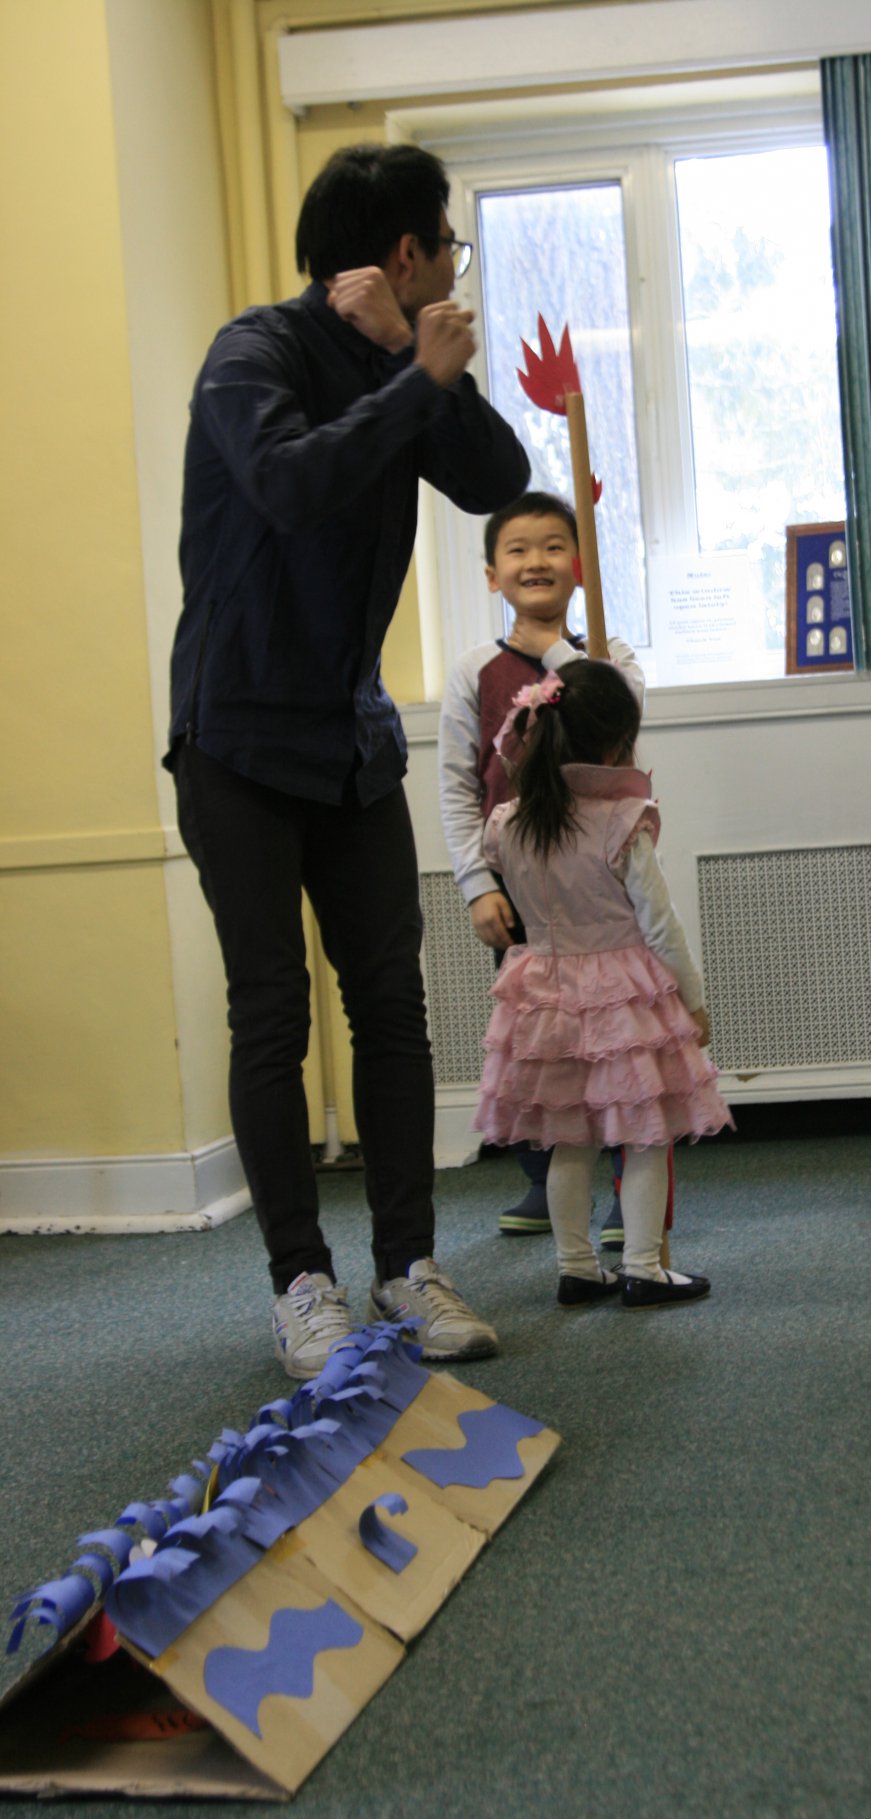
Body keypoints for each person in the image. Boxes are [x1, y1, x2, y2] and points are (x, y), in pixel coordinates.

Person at [166, 142, 531, 1377]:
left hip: (350, 739)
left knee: (390, 1004)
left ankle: (405, 1269)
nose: (454, 272)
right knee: (272, 1008)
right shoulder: (251, 354)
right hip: (234, 737)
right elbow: (285, 485)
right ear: (406, 253)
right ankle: (301, 1286)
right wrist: (411, 376)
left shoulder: (393, 357)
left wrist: (399, 359)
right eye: (448, 248)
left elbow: (499, 478)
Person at [473, 660, 730, 1305]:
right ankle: (643, 1267)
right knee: (644, 1137)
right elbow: (660, 924)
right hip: (621, 996)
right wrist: (692, 1000)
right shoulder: (623, 820)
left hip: (544, 995)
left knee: (568, 1139)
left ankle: (577, 1267)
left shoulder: (508, 824)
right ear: (618, 746)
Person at [438, 491, 644, 1241]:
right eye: (518, 549)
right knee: (541, 1038)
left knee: (616, 1030)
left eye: (554, 546)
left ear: (579, 566)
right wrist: (476, 884)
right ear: (492, 575)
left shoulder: (609, 658)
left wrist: (557, 654)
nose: (536, 561)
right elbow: (457, 785)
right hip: (519, 883)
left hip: (601, 878)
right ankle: (547, 1180)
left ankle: (625, 1182)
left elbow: (618, 712)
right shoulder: (474, 670)